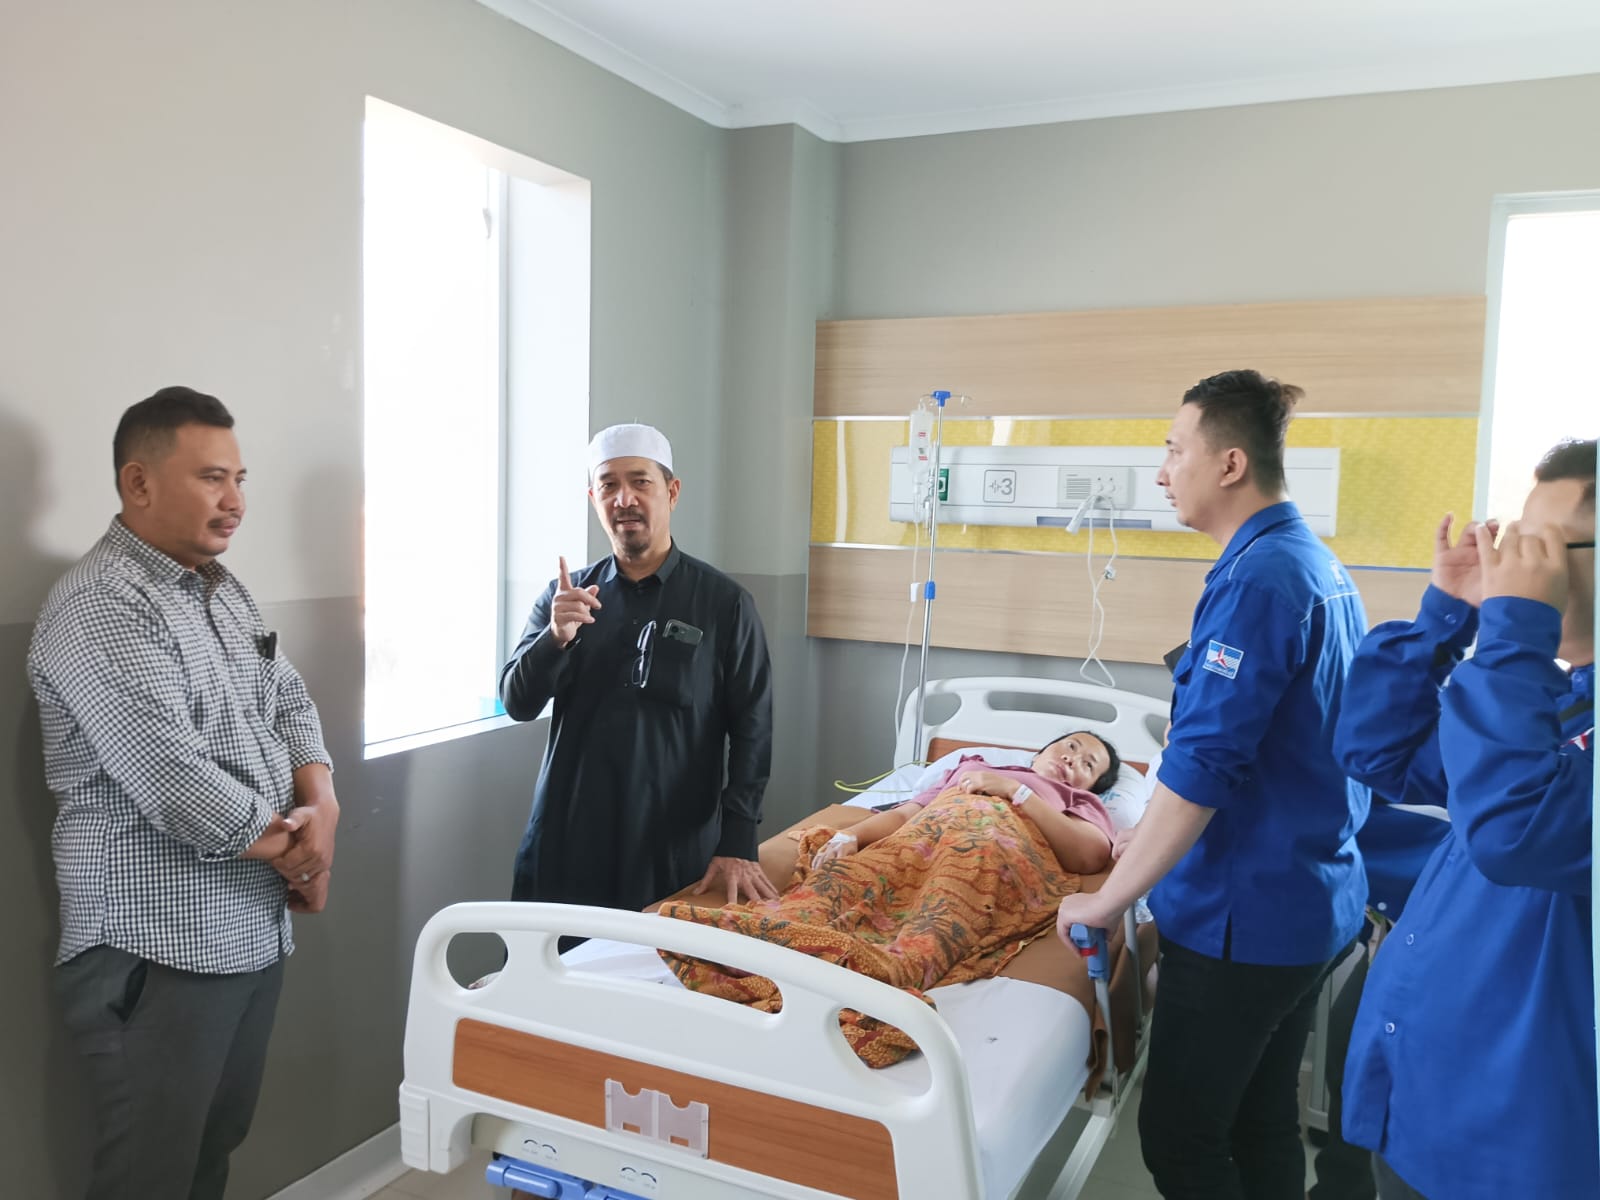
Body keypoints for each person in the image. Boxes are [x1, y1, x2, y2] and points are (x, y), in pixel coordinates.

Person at [1055, 369, 1369, 1200]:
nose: (1162, 472)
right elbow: (1265, 749)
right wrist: (1145, 839)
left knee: (1182, 1141)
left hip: (1246, 920)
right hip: (1311, 903)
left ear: (1230, 463)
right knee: (1261, 1123)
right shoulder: (1318, 568)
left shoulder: (1258, 583)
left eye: (1173, 450)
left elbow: (1201, 770)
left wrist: (1107, 899)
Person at [27, 386, 338, 1200]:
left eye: (239, 478)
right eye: (211, 478)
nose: (235, 501)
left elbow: (288, 697)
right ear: (138, 482)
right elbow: (175, 783)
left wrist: (324, 802)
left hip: (248, 931)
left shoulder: (221, 590)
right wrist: (303, 855)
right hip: (156, 948)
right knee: (149, 1178)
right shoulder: (100, 603)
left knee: (210, 1155)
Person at [1332, 439, 1597, 1200]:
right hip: (1424, 1101)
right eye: (1518, 541)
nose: (1518, 565)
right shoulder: (1559, 702)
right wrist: (1448, 615)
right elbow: (1379, 751)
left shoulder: (1533, 687)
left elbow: (1517, 832)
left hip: (1512, 1144)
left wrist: (1516, 632)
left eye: (1544, 547)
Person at [500, 423, 776, 916]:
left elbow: (752, 727)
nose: (624, 499)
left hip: (673, 848)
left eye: (640, 482)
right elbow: (518, 703)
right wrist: (555, 638)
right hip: (565, 840)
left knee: (659, 963)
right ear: (594, 499)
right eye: (608, 485)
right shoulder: (566, 598)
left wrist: (738, 838)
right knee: (547, 962)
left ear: (672, 492)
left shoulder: (724, 603)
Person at [812, 729, 1120, 874]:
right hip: (920, 847)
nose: (1071, 758)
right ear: (1041, 752)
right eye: (1070, 746)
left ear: (1091, 787)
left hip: (988, 866)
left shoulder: (1078, 801)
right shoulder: (972, 767)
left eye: (1088, 764)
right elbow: (907, 815)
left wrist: (1017, 792)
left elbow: (1090, 856)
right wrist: (851, 835)